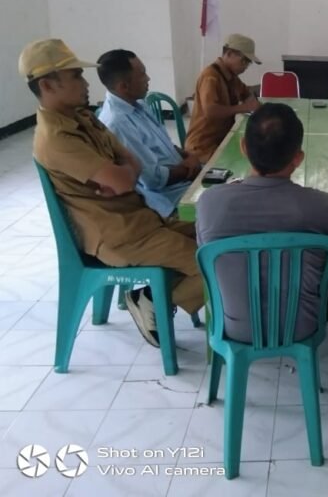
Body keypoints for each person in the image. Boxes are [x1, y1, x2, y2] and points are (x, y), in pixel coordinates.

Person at [21, 39, 205, 347]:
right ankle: (151, 298)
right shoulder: (57, 138)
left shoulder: (84, 117)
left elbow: (128, 167)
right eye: (76, 76)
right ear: (47, 84)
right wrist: (124, 172)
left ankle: (153, 295)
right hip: (122, 235)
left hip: (141, 219)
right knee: (218, 264)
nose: (85, 83)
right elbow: (122, 179)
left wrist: (124, 172)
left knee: (221, 236)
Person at [196, 102, 328, 343]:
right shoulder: (321, 206)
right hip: (302, 327)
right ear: (298, 158)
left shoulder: (209, 203)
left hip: (233, 327)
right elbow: (324, 265)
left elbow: (206, 263)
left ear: (243, 148)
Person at [96, 49, 201, 218]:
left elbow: (162, 144)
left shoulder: (138, 104)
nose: (148, 78)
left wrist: (187, 155)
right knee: (230, 206)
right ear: (124, 86)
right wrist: (190, 169)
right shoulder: (118, 123)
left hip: (183, 180)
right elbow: (153, 180)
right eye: (142, 74)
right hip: (171, 199)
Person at [185, 33, 261, 162]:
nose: (245, 66)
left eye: (248, 63)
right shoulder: (211, 77)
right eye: (244, 61)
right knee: (248, 161)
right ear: (229, 53)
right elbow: (211, 111)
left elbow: (247, 94)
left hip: (220, 141)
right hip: (202, 148)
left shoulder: (231, 77)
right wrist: (244, 107)